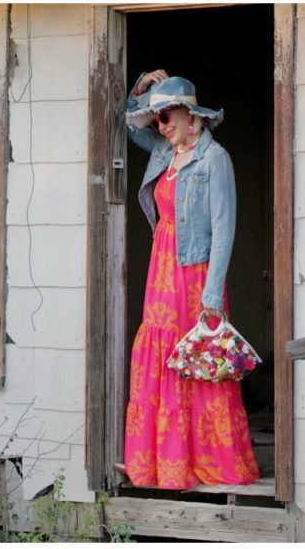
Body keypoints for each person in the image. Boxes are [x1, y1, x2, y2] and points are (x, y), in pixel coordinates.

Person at [120, 70, 259, 488]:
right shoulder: (165, 151)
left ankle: (206, 461)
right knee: (163, 356)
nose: (160, 124)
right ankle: (166, 463)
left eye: (167, 116)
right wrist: (143, 85)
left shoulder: (215, 159)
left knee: (197, 358)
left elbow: (224, 227)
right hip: (161, 267)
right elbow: (130, 121)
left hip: (194, 271)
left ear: (191, 115)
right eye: (158, 117)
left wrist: (213, 291)